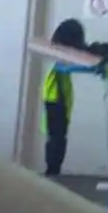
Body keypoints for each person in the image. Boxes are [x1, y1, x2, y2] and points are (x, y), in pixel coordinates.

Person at [40, 17, 85, 178]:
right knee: (56, 137)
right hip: (56, 99)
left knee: (56, 136)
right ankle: (52, 170)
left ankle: (53, 169)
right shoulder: (62, 58)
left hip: (56, 98)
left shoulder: (61, 57)